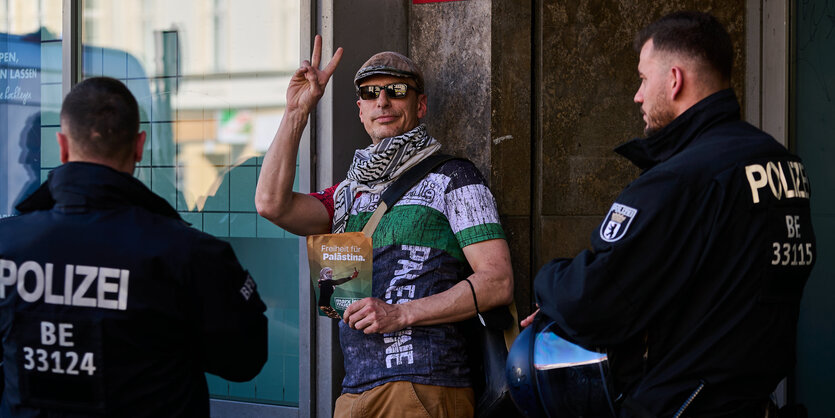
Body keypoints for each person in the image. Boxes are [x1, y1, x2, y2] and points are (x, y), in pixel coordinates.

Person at [525, 11, 816, 417]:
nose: (637, 95)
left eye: (643, 79)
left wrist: (548, 282)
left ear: (675, 80)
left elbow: (592, 300)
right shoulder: (780, 164)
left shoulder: (682, 178)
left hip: (684, 404)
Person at [255, 35, 513, 417]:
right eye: (371, 92)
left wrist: (400, 313)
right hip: (353, 393)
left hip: (425, 384)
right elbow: (271, 204)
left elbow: (497, 282)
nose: (383, 101)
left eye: (396, 90)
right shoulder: (346, 194)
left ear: (420, 104)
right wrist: (297, 112)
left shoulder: (455, 177)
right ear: (360, 110)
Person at [0, 77, 268, 417]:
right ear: (139, 146)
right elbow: (244, 361)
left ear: (63, 146)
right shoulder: (190, 254)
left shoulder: (7, 244)